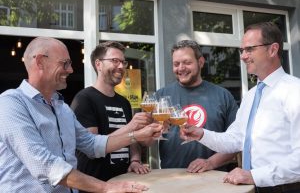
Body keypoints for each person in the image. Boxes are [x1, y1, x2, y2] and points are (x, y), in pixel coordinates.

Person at [0, 36, 162, 193]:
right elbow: (45, 166)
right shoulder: (11, 103)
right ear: (40, 62)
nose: (70, 70)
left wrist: (138, 135)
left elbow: (92, 144)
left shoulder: (62, 108)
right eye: (65, 63)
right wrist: (107, 187)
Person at [181, 22, 300, 192]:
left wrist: (254, 176)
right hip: (252, 187)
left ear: (273, 50)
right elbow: (235, 140)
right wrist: (201, 134)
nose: (243, 56)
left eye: (250, 49)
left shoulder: (295, 91)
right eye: (242, 50)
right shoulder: (251, 95)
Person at [71, 41, 152, 184]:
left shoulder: (124, 102)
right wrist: (131, 126)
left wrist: (135, 160)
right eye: (115, 61)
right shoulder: (84, 99)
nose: (121, 66)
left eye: (123, 62)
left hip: (124, 182)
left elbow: (131, 140)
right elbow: (91, 147)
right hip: (96, 186)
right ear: (98, 64)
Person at [155, 39, 239, 172]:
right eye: (176, 64)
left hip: (214, 179)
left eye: (187, 62)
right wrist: (137, 158)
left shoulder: (223, 96)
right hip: (170, 178)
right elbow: (143, 138)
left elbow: (237, 141)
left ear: (200, 62)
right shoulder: (161, 96)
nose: (181, 68)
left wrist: (210, 163)